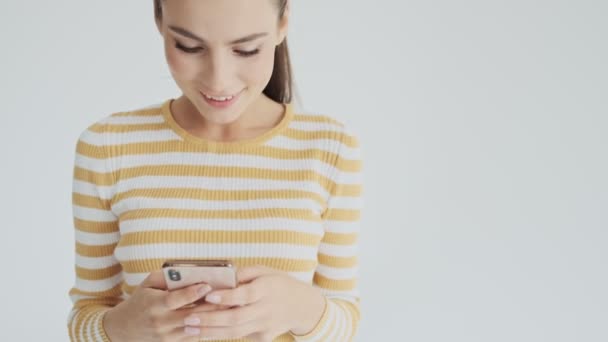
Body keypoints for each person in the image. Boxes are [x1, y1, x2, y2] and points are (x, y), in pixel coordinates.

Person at [66, 0, 363, 341]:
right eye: (189, 46)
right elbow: (85, 313)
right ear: (159, 21)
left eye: (247, 49)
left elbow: (345, 318)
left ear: (283, 24)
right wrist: (121, 327)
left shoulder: (331, 147)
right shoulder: (107, 147)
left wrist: (300, 307)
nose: (218, 80)